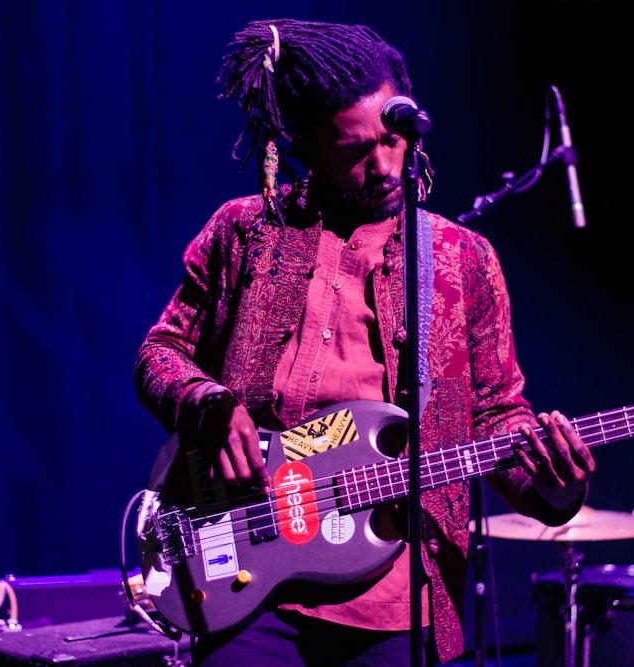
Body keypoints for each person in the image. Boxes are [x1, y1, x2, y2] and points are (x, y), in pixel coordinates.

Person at [133, 18, 595, 667]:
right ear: (305, 143)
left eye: (391, 138)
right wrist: (207, 405)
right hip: (252, 577)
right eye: (353, 149)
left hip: (397, 595)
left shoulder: (462, 261)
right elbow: (160, 353)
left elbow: (497, 418)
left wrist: (552, 485)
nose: (382, 165)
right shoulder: (244, 232)